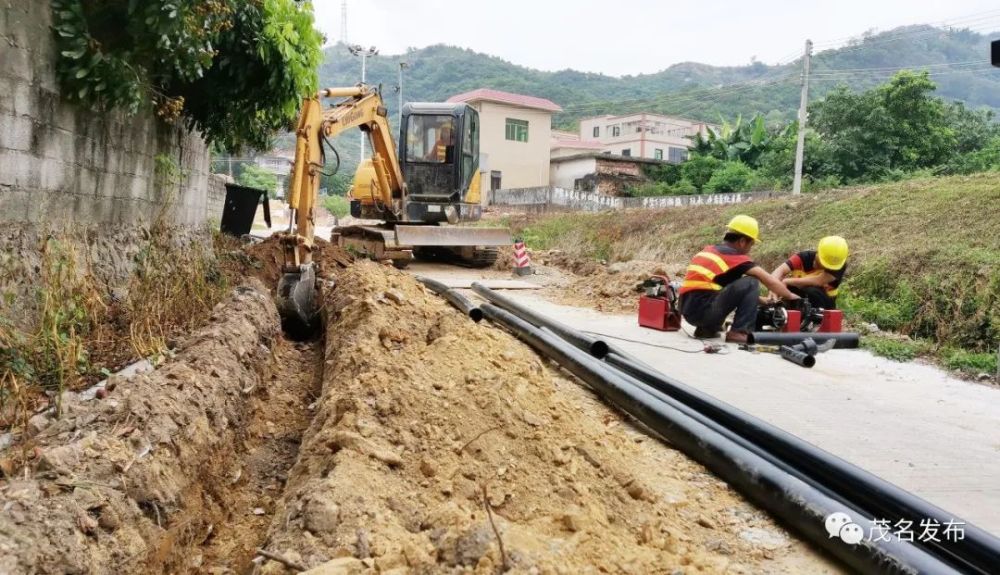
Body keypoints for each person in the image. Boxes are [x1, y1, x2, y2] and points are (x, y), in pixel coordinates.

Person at [679, 215, 801, 344]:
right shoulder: (734, 257)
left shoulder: (710, 250)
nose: (749, 249)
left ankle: (706, 329)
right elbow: (769, 280)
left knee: (737, 284)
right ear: (742, 241)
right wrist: (791, 296)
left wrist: (761, 301)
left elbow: (722, 288)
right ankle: (739, 332)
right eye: (751, 245)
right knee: (751, 282)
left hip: (688, 311)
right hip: (703, 312)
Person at [770, 236, 849, 310]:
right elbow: (779, 270)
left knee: (811, 291)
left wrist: (787, 281)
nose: (823, 265)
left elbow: (818, 281)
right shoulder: (803, 257)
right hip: (799, 298)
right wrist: (773, 288)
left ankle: (816, 322)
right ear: (818, 252)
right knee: (784, 288)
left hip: (824, 305)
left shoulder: (838, 266)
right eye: (822, 262)